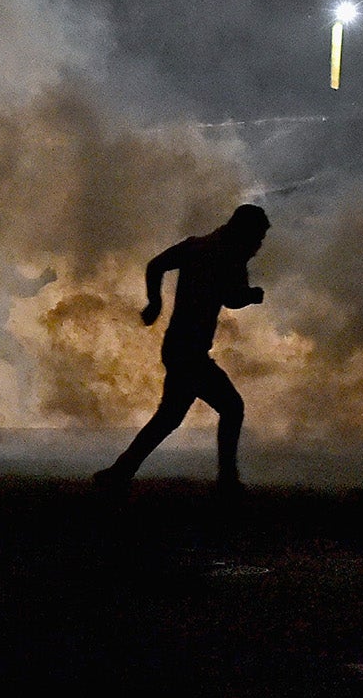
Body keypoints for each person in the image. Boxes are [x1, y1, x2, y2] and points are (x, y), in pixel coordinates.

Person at [93, 204, 269, 494]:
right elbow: (233, 298)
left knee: (170, 416)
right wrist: (251, 296)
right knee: (231, 408)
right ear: (244, 233)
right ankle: (227, 481)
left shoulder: (198, 247)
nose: (258, 247)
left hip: (179, 346)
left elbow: (156, 265)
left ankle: (120, 471)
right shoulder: (229, 257)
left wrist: (155, 302)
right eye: (258, 239)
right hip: (190, 351)